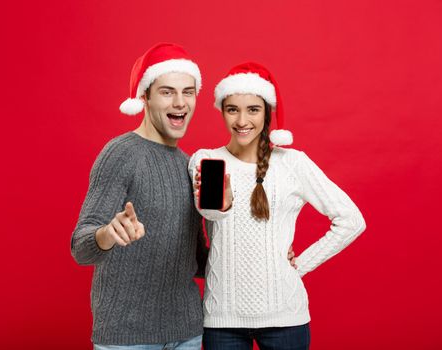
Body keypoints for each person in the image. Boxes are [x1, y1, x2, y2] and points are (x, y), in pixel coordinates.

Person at [189, 62, 367, 350]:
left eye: (253, 110)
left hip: (286, 318)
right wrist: (223, 205)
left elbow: (351, 220)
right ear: (222, 110)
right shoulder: (207, 160)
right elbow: (208, 212)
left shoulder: (292, 163)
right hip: (222, 320)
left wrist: (299, 266)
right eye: (232, 109)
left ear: (267, 113)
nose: (242, 120)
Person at [71, 42, 208, 349]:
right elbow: (81, 247)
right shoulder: (121, 153)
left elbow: (196, 261)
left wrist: (259, 248)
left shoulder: (191, 165)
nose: (180, 102)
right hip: (126, 337)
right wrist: (108, 233)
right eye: (167, 91)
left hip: (186, 332)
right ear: (145, 96)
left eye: (188, 91)